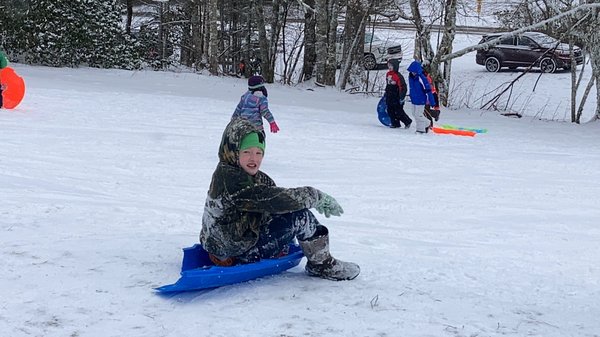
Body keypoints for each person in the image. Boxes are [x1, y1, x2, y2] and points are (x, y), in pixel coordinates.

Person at [199, 118, 360, 281]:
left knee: (288, 211)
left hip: (229, 243)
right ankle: (321, 265)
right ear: (233, 151)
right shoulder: (232, 180)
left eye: (258, 152)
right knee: (301, 217)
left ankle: (286, 248)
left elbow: (271, 200)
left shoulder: (238, 173)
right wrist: (314, 196)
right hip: (237, 251)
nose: (253, 158)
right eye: (246, 152)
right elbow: (274, 199)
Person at [407, 60, 437, 133]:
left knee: (418, 115)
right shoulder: (410, 78)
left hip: (421, 100)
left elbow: (428, 90)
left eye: (414, 72)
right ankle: (427, 123)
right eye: (411, 71)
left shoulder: (422, 78)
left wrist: (432, 101)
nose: (413, 73)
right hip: (414, 99)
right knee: (414, 114)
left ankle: (420, 130)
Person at [384, 59, 412, 128]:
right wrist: (386, 93)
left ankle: (407, 121)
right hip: (389, 95)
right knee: (390, 110)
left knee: (398, 111)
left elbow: (403, 87)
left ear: (395, 66)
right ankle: (395, 123)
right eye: (388, 65)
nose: (390, 67)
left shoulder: (398, 76)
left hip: (396, 96)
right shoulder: (388, 74)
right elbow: (387, 84)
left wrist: (401, 97)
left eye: (391, 66)